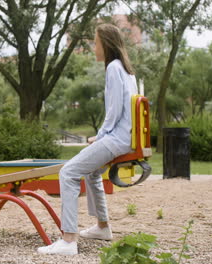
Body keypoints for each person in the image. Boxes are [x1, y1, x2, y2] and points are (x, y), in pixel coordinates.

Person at [38, 24, 138, 255]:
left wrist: (101, 136)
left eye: (96, 42)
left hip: (117, 138)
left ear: (106, 44)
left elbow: (114, 111)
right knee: (92, 172)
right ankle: (103, 227)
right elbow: (121, 112)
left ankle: (68, 240)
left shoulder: (113, 68)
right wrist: (101, 136)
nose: (94, 47)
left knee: (68, 172)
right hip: (124, 137)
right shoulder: (126, 69)